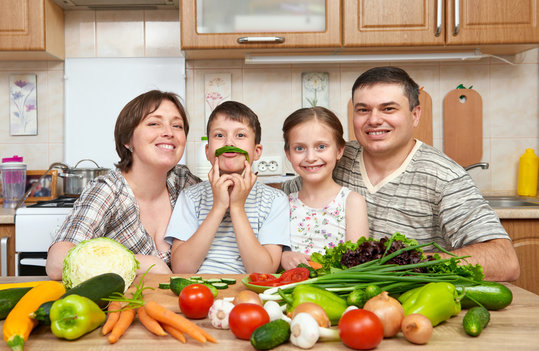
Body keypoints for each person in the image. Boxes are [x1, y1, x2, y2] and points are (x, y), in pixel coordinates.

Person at [282, 66, 520, 282]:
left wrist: (401, 264)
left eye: (388, 108)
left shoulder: (444, 176)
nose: (374, 120)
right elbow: (280, 202)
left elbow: (504, 260)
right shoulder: (333, 159)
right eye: (363, 110)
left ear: (415, 115)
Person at [46, 90, 200, 279]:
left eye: (177, 126)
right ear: (127, 140)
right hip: (118, 306)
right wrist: (143, 264)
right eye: (154, 123)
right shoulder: (108, 190)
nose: (169, 133)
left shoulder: (183, 181)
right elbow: (57, 263)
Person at [166, 101, 290, 274]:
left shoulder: (275, 200)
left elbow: (264, 272)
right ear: (208, 151)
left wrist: (237, 208)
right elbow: (182, 269)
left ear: (257, 151)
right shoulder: (191, 196)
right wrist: (218, 207)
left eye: (240, 135)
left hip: (249, 293)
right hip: (197, 292)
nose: (229, 142)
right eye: (219, 135)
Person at [280, 107, 369, 270]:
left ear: (339, 150)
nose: (311, 157)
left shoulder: (352, 202)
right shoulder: (282, 203)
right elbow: (270, 252)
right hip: (290, 288)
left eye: (321, 146)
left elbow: (357, 265)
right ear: (288, 154)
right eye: (299, 148)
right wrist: (283, 257)